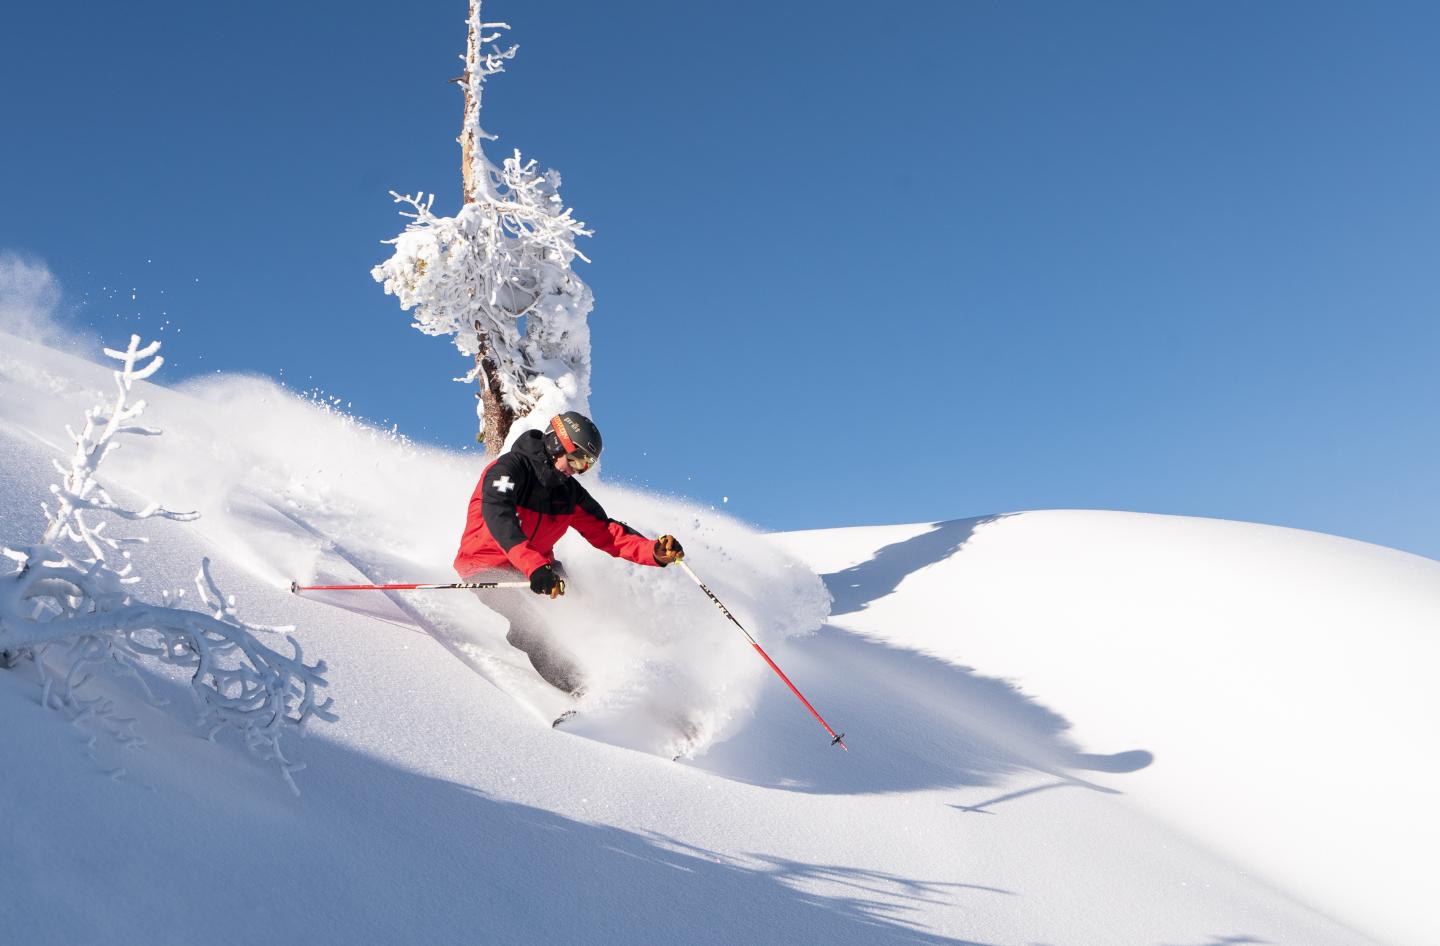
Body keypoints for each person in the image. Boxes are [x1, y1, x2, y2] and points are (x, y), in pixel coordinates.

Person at [453, 411, 684, 693]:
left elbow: (606, 532)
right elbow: (500, 518)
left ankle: (641, 689)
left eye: (586, 464)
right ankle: (585, 693)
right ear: (555, 444)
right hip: (485, 568)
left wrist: (654, 552)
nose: (577, 469)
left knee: (588, 611)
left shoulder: (567, 493)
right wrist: (534, 566)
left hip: (540, 571)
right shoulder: (508, 470)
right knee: (533, 626)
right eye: (576, 459)